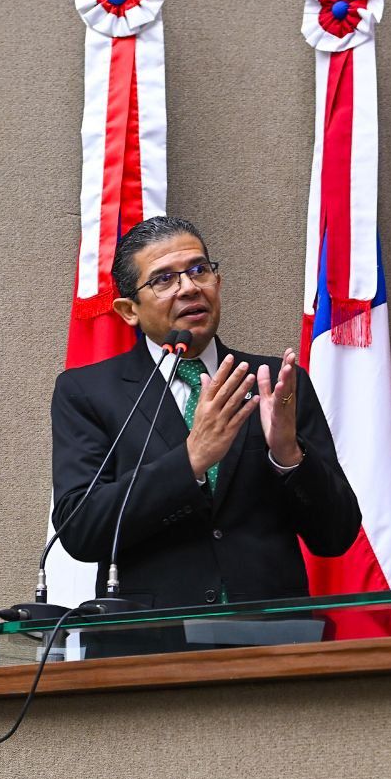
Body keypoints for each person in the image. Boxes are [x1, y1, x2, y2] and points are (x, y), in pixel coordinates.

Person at [50, 216, 361, 609]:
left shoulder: (274, 383)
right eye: (163, 279)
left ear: (218, 283)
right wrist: (191, 459)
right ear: (129, 310)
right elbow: (81, 529)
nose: (189, 288)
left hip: (275, 640)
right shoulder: (88, 392)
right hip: (149, 647)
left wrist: (289, 457)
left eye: (199, 270)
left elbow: (337, 535)